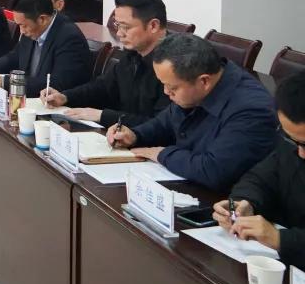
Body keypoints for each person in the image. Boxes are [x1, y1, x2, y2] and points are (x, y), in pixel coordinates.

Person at [106, 33, 277, 191]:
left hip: (227, 201)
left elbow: (214, 171)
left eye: (172, 87)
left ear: (204, 81)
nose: (166, 92)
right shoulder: (194, 87)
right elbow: (164, 122)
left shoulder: (251, 110)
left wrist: (161, 154)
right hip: (190, 185)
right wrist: (135, 135)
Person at [212, 71, 305, 268]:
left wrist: (280, 238)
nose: (301, 153)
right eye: (292, 139)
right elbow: (260, 178)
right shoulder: (292, 145)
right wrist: (245, 203)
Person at [42, 0, 171, 127]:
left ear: (153, 26)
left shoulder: (174, 64)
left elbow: (162, 126)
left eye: (126, 27)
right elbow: (103, 87)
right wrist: (65, 97)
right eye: (117, 25)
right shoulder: (133, 54)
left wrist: (103, 116)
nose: (119, 33)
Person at [0, 0, 91, 96]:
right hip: (30, 100)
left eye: (23, 26)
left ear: (42, 19)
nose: (21, 31)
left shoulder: (69, 38)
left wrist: (5, 82)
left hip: (56, 106)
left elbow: (58, 83)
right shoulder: (32, 28)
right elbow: (16, 56)